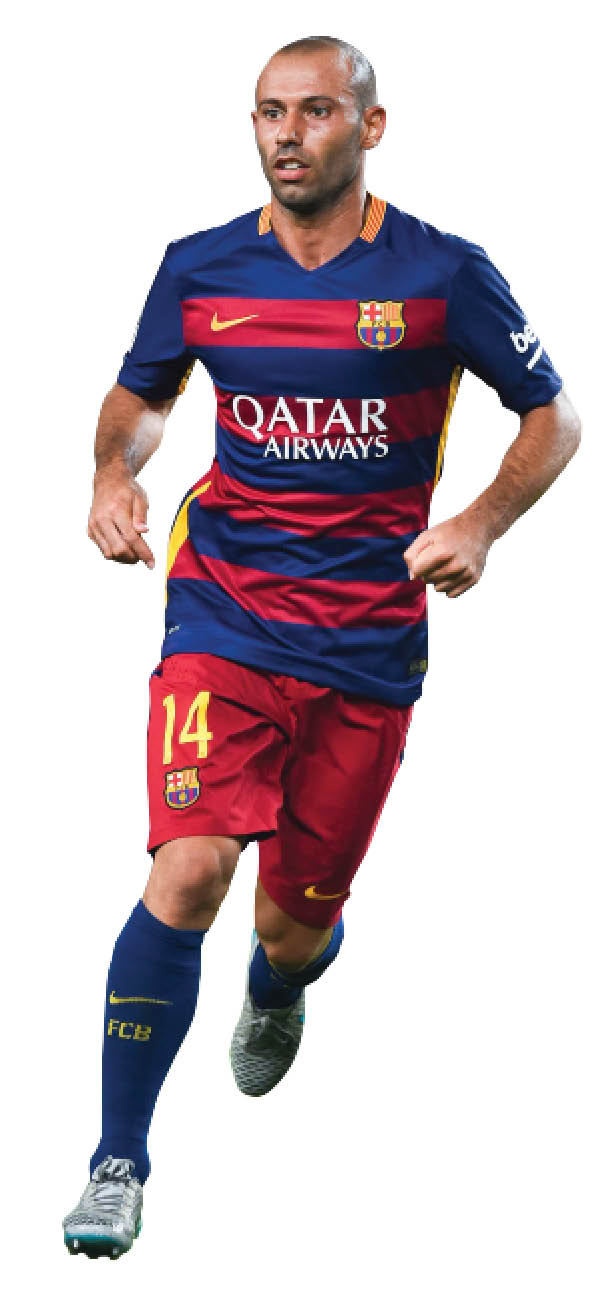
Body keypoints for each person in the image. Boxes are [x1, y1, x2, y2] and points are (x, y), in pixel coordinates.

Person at [62, 34, 581, 1260]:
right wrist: (111, 474)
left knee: (291, 925)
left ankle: (281, 978)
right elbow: (141, 397)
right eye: (266, 114)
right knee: (188, 868)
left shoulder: (441, 274)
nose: (285, 135)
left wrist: (477, 522)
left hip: (366, 638)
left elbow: (551, 416)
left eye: (311, 112)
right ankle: (117, 1160)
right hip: (223, 609)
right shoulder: (199, 267)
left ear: (369, 125)